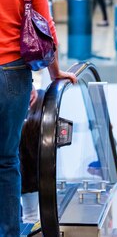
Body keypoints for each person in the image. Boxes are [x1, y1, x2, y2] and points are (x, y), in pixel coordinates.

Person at [0, 0, 77, 237]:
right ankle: (9, 230)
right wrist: (55, 73)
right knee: (6, 160)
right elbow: (46, 27)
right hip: (14, 75)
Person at [19, 89, 45, 224]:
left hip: (23, 180)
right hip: (39, 180)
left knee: (28, 217)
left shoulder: (24, 126)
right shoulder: (43, 129)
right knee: (33, 217)